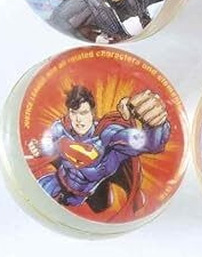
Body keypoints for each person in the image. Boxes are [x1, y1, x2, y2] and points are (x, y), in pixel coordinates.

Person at [27, 85, 169, 216]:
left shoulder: (108, 135)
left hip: (87, 201)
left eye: (83, 112)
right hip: (56, 183)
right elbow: (51, 147)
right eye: (74, 113)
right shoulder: (61, 128)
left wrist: (156, 124)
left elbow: (150, 144)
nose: (78, 119)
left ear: (92, 112)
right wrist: (39, 149)